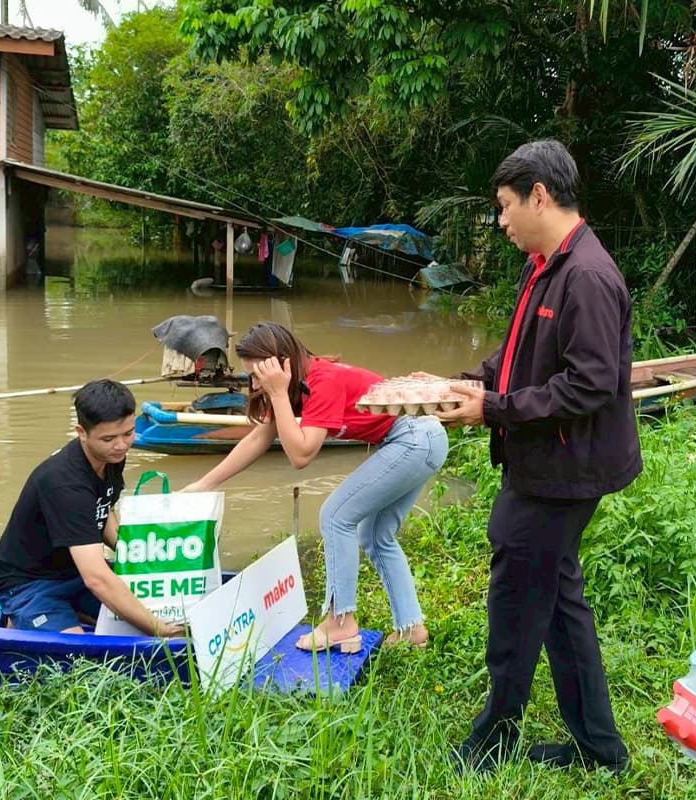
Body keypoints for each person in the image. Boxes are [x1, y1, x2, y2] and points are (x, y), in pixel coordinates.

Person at [439, 139, 642, 773]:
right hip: (545, 460)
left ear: (540, 196)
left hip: (564, 469)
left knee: (517, 600)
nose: (501, 220)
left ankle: (496, 735)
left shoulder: (587, 275)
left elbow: (588, 385)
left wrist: (492, 411)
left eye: (504, 206)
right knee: (556, 599)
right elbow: (517, 353)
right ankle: (598, 748)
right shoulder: (544, 264)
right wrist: (469, 383)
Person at [182, 322, 448, 651]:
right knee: (375, 535)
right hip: (419, 438)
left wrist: (278, 393)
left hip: (414, 438)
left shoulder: (323, 380)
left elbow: (301, 454)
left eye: (257, 374)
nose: (253, 383)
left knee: (336, 516)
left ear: (280, 364)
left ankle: (340, 622)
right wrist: (204, 484)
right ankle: (411, 629)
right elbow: (258, 438)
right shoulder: (300, 383)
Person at [0, 379, 185, 637]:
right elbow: (96, 578)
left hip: (76, 571)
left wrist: (137, 554)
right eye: (109, 438)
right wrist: (161, 631)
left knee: (163, 602)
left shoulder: (110, 456)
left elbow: (103, 511)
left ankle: (68, 610)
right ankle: (21, 615)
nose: (122, 445)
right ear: (81, 432)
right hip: (30, 583)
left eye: (128, 433)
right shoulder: (65, 484)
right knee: (78, 659)